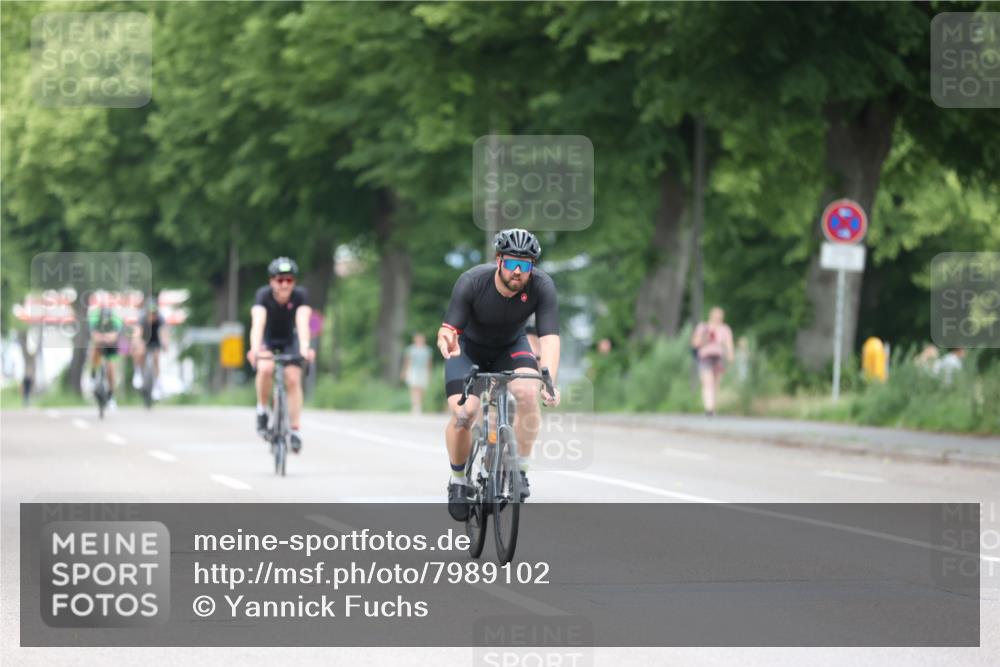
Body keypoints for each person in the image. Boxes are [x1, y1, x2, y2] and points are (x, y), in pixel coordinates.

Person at [437, 228, 561, 521]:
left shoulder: (542, 286)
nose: (518, 272)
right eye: (512, 263)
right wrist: (446, 339)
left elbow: (550, 339)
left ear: (533, 267)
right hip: (468, 350)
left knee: (528, 392)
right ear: (498, 260)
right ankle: (459, 480)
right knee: (465, 414)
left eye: (525, 265)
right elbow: (448, 328)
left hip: (511, 347)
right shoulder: (472, 281)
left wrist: (549, 382)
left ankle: (520, 470)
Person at [246, 257, 315, 453]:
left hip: (290, 340)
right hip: (268, 339)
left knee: (293, 378)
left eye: (289, 280)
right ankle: (262, 410)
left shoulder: (300, 296)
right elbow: (258, 324)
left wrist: (305, 347)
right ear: (272, 281)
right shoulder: (263, 295)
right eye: (280, 280)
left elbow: (303, 322)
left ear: (294, 282)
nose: (284, 284)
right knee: (265, 368)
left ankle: (295, 430)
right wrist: (254, 349)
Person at [690, 306, 734, 416]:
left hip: (718, 357)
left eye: (720, 315)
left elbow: (728, 343)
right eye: (716, 315)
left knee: (716, 383)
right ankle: (708, 408)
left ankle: (713, 407)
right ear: (711, 315)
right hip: (705, 356)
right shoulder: (703, 327)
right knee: (707, 382)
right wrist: (706, 338)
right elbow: (695, 343)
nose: (717, 317)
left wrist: (730, 355)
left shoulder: (725, 329)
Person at [88, 306, 124, 409]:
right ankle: (93, 374)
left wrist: (106, 338)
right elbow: (94, 336)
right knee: (95, 349)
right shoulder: (94, 318)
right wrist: (102, 338)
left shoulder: (116, 320)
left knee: (111, 368)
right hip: (99, 344)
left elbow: (114, 337)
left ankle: (111, 395)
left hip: (111, 345)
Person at [131, 300, 167, 398]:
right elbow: (137, 333)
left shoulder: (160, 319)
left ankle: (157, 384)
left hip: (155, 340)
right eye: (150, 314)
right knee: (139, 351)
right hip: (144, 339)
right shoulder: (142, 319)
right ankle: (138, 372)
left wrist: (165, 343)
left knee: (156, 358)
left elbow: (164, 333)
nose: (152, 316)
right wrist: (137, 341)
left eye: (154, 314)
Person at [401, 332, 433, 414]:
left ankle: (419, 404)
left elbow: (429, 363)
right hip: (413, 370)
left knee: (421, 388)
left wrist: (429, 373)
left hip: (423, 370)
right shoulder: (411, 349)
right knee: (414, 388)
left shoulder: (427, 350)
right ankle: (415, 406)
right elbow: (407, 361)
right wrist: (404, 371)